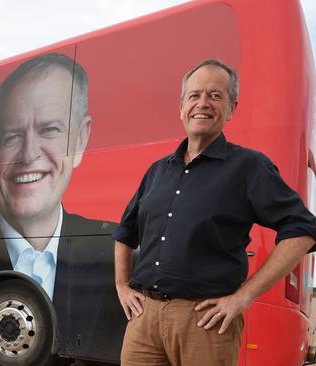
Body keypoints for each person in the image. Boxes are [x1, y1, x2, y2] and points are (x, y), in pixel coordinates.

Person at [112, 59, 316, 366]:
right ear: (181, 106)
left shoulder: (249, 167)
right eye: (194, 95)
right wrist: (122, 285)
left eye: (215, 95)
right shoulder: (157, 171)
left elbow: (303, 230)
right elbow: (125, 233)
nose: (202, 104)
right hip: (144, 320)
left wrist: (243, 296)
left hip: (204, 323)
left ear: (232, 107)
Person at [0, 53, 124, 360]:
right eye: (12, 136)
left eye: (50, 130)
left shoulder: (119, 256)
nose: (28, 154)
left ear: (81, 139)